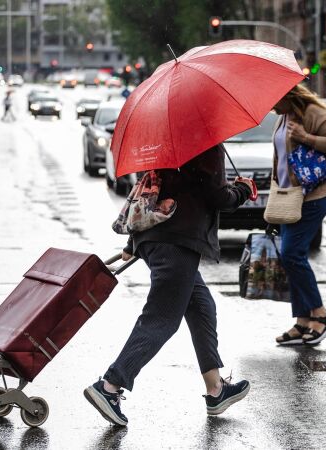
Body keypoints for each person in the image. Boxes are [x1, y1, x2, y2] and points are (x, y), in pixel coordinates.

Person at [84, 145, 255, 427]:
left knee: (201, 306)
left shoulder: (166, 143)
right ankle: (110, 386)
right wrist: (243, 190)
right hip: (176, 244)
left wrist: (133, 242)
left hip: (156, 238)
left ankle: (216, 390)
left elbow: (154, 187)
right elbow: (218, 197)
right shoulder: (206, 146)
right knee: (161, 319)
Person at [271, 84, 326, 346]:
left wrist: (306, 137)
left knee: (292, 254)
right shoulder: (283, 117)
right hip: (289, 197)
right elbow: (281, 158)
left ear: (287, 94)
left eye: (273, 99)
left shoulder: (313, 112)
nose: (270, 105)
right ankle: (303, 320)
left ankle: (321, 315)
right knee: (290, 256)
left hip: (313, 196)